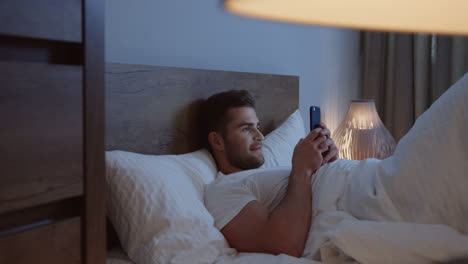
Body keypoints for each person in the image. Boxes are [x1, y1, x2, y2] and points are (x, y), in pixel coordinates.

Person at [198, 89, 339, 257]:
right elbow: (285, 245)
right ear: (217, 141)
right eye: (246, 129)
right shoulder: (222, 190)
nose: (260, 136)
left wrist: (327, 162)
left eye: (257, 127)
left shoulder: (262, 174)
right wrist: (302, 170)